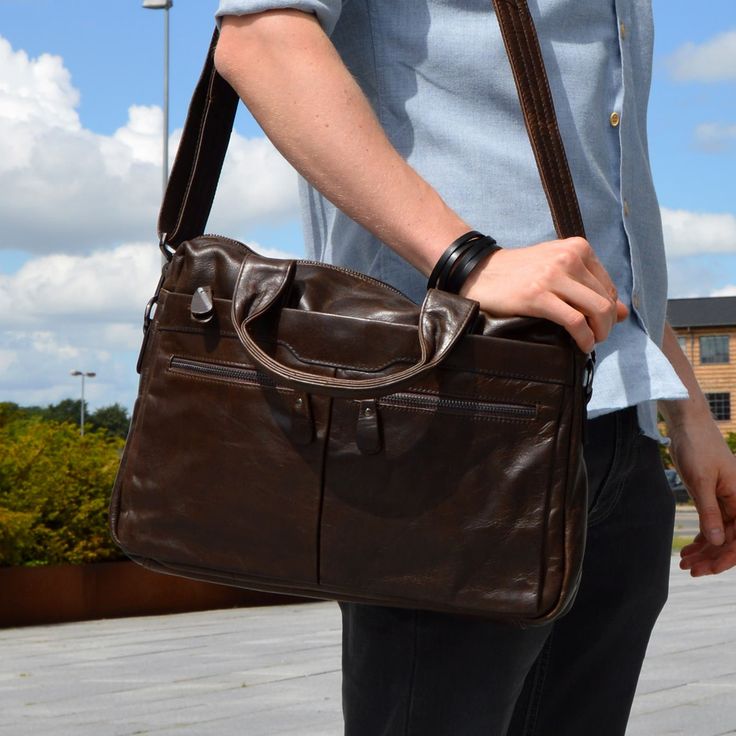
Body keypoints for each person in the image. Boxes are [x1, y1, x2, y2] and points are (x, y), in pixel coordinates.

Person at [212, 2, 736, 733]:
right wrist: (466, 257)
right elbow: (260, 38)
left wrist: (681, 405)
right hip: (451, 421)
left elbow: (597, 194)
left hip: (617, 429)